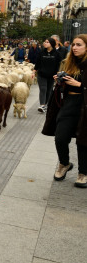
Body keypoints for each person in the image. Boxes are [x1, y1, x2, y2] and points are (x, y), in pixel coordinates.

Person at [43, 34, 87, 186]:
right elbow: (64, 86)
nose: (74, 47)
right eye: (73, 44)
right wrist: (60, 81)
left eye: (79, 45)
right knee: (60, 137)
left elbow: (80, 85)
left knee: (83, 141)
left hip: (85, 105)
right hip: (69, 103)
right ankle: (64, 163)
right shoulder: (67, 62)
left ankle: (83, 173)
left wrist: (80, 85)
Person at [35, 38, 61, 113]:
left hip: (52, 75)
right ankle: (42, 105)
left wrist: (57, 74)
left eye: (47, 42)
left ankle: (46, 104)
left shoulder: (56, 54)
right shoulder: (41, 52)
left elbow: (58, 64)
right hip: (42, 74)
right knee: (43, 89)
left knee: (49, 90)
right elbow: (38, 63)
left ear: (51, 44)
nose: (45, 43)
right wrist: (34, 71)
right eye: (45, 41)